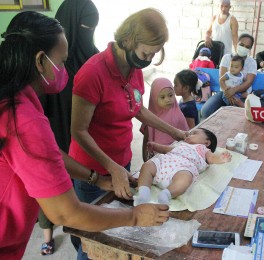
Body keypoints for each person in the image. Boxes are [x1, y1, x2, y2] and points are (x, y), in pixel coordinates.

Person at [0, 11, 169, 260]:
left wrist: (96, 178)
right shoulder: (24, 119)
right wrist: (135, 216)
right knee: (92, 244)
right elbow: (66, 213)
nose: (66, 70)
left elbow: (48, 154)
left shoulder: (18, 100)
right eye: (63, 61)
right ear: (39, 61)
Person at [69, 8, 185, 259]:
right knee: (94, 237)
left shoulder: (133, 69)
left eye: (153, 54)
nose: (148, 58)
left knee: (119, 233)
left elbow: (137, 108)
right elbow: (78, 131)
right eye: (146, 52)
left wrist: (176, 131)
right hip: (92, 169)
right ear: (128, 40)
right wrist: (110, 167)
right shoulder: (93, 73)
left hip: (121, 162)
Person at [37, 0, 100, 254]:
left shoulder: (94, 61)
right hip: (51, 140)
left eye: (93, 28)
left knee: (84, 217)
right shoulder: (47, 67)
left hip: (82, 147)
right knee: (50, 191)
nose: (88, 34)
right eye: (85, 26)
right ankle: (47, 234)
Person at [134, 128, 232, 205]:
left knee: (185, 179)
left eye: (194, 133)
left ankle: (167, 194)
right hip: (164, 163)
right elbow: (167, 149)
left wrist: (221, 158)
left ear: (207, 143)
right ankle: (144, 194)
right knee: (147, 166)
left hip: (182, 169)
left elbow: (212, 158)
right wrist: (155, 146)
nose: (189, 134)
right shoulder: (181, 145)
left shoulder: (203, 149)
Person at [201, 33, 257, 118]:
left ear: (250, 49)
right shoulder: (227, 58)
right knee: (206, 111)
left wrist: (234, 91)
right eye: (241, 44)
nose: (244, 48)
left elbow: (248, 82)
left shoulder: (252, 62)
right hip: (224, 92)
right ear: (237, 43)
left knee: (234, 116)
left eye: (247, 47)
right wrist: (228, 93)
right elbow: (222, 78)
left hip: (242, 95)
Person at [142, 78, 189, 161]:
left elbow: (186, 136)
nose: (167, 100)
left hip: (178, 155)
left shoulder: (178, 114)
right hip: (159, 157)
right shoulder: (150, 118)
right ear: (154, 97)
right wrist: (145, 159)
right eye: (162, 97)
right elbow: (146, 141)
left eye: (170, 95)